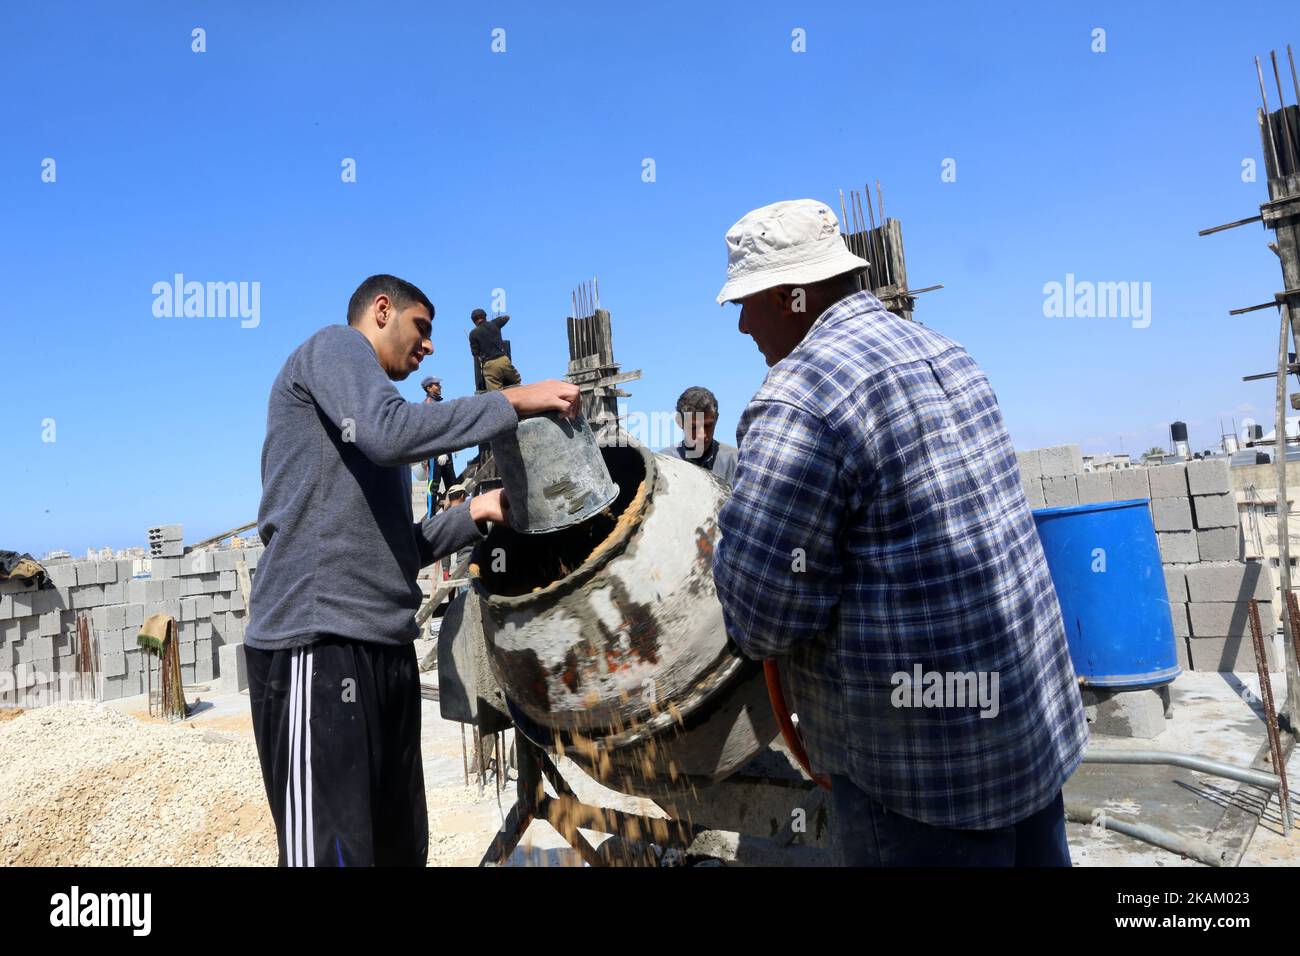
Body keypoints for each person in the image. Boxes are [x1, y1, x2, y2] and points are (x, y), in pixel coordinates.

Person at [709, 200, 1087, 867]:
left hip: (919, 785)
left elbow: (761, 618)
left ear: (790, 297)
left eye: (748, 302)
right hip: (1029, 743)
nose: (741, 324)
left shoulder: (800, 396)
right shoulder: (949, 352)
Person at [245, 273, 579, 866]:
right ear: (380, 311)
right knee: (335, 855)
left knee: (400, 849)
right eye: (422, 329)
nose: (429, 346)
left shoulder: (371, 422)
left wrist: (479, 510)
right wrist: (510, 401)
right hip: (320, 645)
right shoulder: (336, 349)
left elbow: (400, 548)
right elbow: (388, 433)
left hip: (383, 646)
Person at [659, 386, 739, 487]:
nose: (702, 435)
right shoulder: (664, 464)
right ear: (679, 422)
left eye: (708, 425)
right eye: (693, 427)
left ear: (716, 419)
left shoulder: (737, 462)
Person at [469, 308, 521, 391]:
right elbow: (507, 317)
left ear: (473, 321)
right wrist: (493, 323)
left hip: (489, 365)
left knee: (496, 394)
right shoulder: (494, 324)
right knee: (517, 383)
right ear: (485, 317)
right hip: (503, 361)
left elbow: (475, 354)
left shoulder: (473, 334)